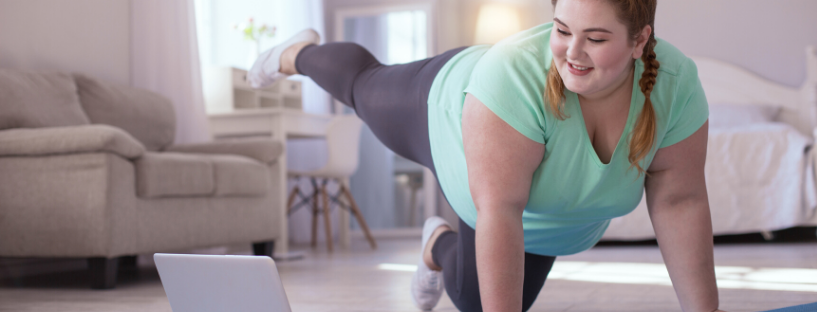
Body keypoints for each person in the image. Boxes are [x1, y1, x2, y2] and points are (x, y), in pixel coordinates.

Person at [249, 0, 726, 311]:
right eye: (561, 30)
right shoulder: (514, 75)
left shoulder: (674, 88)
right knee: (362, 86)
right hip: (448, 111)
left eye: (596, 39)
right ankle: (299, 54)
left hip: (543, 215)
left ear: (640, 41)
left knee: (475, 301)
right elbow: (500, 210)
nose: (572, 53)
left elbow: (678, 201)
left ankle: (436, 246)